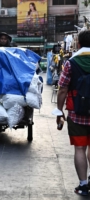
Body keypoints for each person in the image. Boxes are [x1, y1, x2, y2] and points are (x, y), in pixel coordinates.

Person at [57, 30, 90, 196]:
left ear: (78, 44)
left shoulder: (71, 62)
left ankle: (83, 185)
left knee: (80, 149)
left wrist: (59, 111)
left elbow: (63, 89)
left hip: (78, 113)